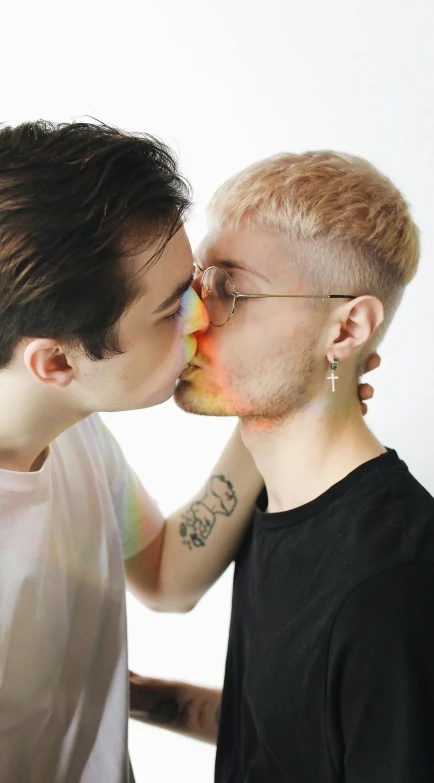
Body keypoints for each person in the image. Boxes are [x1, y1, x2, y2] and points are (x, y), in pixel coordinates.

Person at [0, 120, 276, 783]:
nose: (201, 318)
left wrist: (276, 404)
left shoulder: (62, 415)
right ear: (54, 361)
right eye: (170, 309)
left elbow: (165, 575)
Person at [129, 151, 434, 782]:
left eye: (230, 291)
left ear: (346, 329)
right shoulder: (279, 490)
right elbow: (295, 742)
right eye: (196, 287)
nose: (192, 317)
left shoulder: (394, 588)